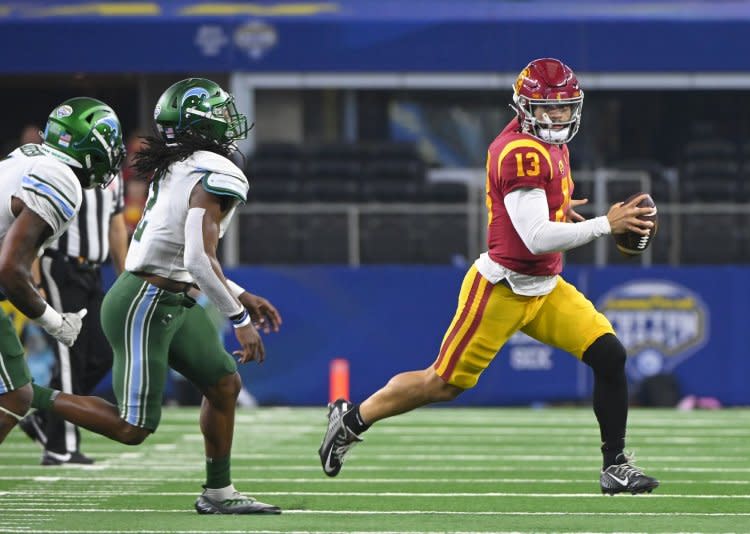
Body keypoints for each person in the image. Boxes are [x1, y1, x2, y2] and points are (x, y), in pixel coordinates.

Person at [318, 58, 660, 496]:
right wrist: (603, 224)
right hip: (502, 287)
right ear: (524, 106)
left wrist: (562, 210)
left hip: (544, 287)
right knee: (441, 384)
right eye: (547, 108)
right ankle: (349, 421)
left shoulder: (552, 145)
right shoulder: (520, 152)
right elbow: (536, 238)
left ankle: (615, 465)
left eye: (564, 108)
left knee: (610, 355)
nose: (558, 117)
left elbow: (540, 216)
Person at [25, 78, 284, 515]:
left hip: (166, 297)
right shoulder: (214, 172)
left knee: (223, 383)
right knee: (133, 427)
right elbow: (200, 259)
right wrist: (239, 320)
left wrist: (241, 292)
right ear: (199, 125)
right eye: (219, 114)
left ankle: (218, 493)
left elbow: (185, 254)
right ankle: (24, 395)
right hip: (145, 301)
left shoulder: (180, 165)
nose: (228, 122)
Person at [0, 97, 124, 443]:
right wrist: (56, 323)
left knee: (16, 393)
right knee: (15, 395)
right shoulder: (61, 181)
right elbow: (9, 270)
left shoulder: (31, 155)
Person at [19, 162, 128, 466]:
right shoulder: (61, 172)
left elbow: (116, 225)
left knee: (103, 354)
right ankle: (60, 446)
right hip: (61, 267)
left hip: (93, 271)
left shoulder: (112, 176)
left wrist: (125, 277)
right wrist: (36, 280)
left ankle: (43, 417)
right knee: (70, 357)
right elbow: (38, 227)